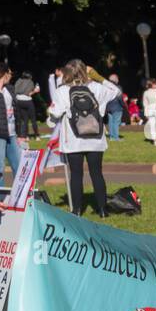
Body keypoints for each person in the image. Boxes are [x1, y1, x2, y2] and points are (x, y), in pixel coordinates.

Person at [51, 59, 121, 217]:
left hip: (73, 140)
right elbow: (116, 91)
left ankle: (76, 210)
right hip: (95, 139)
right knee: (97, 173)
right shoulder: (97, 88)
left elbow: (55, 113)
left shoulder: (62, 91)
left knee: (76, 175)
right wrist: (98, 77)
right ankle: (103, 210)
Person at [0, 63, 19, 188]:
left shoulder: (9, 89)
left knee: (19, 166)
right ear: (4, 74)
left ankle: (21, 200)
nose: (11, 75)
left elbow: (15, 110)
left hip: (12, 134)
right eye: (9, 73)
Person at [12, 71, 37, 142]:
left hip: (18, 101)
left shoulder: (18, 81)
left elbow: (15, 90)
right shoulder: (30, 82)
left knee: (21, 119)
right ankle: (36, 135)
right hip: (27, 101)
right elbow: (28, 93)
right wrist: (35, 91)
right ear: (29, 76)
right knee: (32, 119)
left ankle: (22, 136)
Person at [104, 74, 124, 142]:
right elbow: (120, 98)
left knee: (111, 122)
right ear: (116, 80)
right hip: (117, 107)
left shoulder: (106, 87)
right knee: (116, 122)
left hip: (109, 107)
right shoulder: (118, 87)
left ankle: (111, 137)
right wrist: (123, 105)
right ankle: (116, 137)